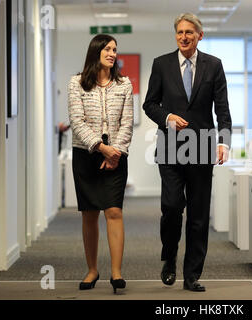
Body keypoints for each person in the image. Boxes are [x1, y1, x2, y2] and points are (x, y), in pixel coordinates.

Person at [142, 13, 232, 292]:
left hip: (202, 146)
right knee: (171, 207)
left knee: (198, 214)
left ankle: (191, 274)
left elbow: (223, 110)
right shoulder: (162, 64)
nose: (183, 37)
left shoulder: (213, 66)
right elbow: (149, 104)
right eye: (179, 32)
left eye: (189, 32)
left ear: (199, 36)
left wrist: (224, 142)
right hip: (170, 146)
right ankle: (169, 255)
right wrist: (167, 117)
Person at [67, 34, 134, 294]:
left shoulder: (124, 84)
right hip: (86, 154)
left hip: (116, 157)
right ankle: (92, 269)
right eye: (107, 48)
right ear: (95, 51)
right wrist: (102, 148)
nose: (112, 53)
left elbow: (127, 122)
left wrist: (115, 152)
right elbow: (77, 120)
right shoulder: (76, 83)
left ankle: (116, 272)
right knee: (90, 213)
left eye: (115, 49)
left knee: (114, 211)